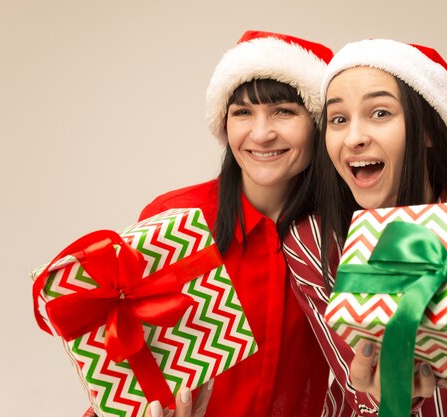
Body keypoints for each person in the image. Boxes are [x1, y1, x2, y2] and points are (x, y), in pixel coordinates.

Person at [283, 39, 447, 417]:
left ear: (428, 131)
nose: (354, 137)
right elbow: (359, 386)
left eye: (379, 113)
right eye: (338, 119)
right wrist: (389, 391)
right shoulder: (311, 241)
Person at [82, 30, 334, 417]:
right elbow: (125, 361)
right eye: (243, 113)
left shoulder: (339, 232)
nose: (262, 133)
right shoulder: (177, 220)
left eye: (284, 111)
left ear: (318, 124)